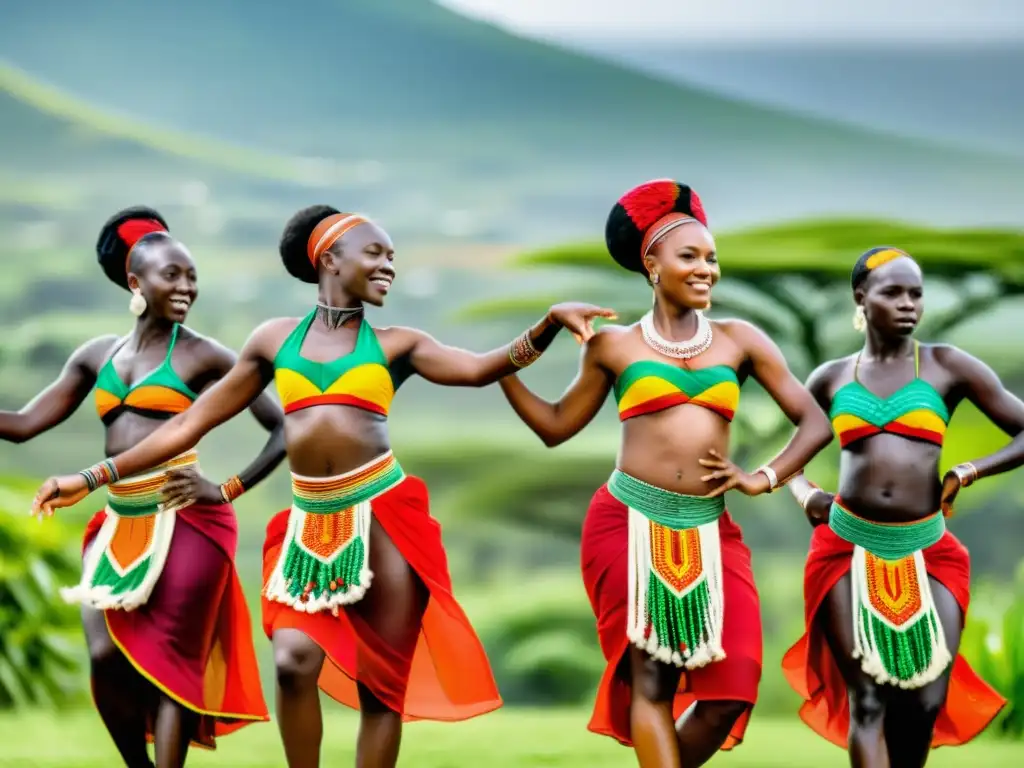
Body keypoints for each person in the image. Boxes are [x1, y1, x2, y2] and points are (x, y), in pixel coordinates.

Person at [30, 205, 616, 768]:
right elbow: (189, 421)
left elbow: (482, 367)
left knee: (381, 689)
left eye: (393, 256)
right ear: (330, 260)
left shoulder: (398, 344)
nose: (389, 264)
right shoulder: (272, 340)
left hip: (384, 515)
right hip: (308, 522)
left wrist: (543, 327)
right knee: (291, 661)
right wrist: (92, 478)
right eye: (375, 252)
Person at [496, 179, 834, 767]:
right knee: (649, 682)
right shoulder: (613, 347)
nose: (707, 269)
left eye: (712, 258)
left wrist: (764, 477)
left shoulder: (741, 341)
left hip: (711, 526)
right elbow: (554, 426)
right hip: (624, 522)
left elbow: (813, 422)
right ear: (652, 263)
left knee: (733, 687)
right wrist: (505, 364)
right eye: (690, 256)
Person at [5, 207, 282, 767]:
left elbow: (284, 426)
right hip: (119, 521)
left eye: (191, 276)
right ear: (136, 282)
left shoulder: (205, 354)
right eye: (171, 275)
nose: (186, 287)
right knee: (105, 655)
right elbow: (23, 425)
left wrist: (226, 488)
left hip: (190, 519)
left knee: (173, 663)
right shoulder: (95, 356)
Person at [782, 246, 1011, 767]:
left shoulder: (948, 366)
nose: (908, 304)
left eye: (916, 294)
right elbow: (787, 458)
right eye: (893, 292)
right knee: (868, 701)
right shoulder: (831, 378)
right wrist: (805, 495)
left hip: (929, 550)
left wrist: (967, 470)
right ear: (861, 298)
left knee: (924, 702)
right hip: (844, 547)